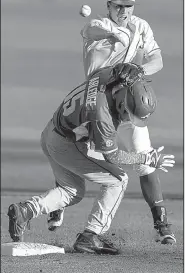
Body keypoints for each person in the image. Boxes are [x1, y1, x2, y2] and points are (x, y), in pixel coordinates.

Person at [47, 0, 177, 245]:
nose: (123, 10)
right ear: (109, 6)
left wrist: (139, 71)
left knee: (145, 158)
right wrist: (116, 32)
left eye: (128, 6)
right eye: (118, 6)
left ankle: (161, 222)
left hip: (126, 105)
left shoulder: (142, 26)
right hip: (96, 105)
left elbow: (157, 60)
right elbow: (92, 29)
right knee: (76, 149)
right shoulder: (97, 26)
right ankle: (58, 203)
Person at [8, 64, 175, 255]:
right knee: (118, 181)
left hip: (52, 133)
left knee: (71, 191)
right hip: (66, 144)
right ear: (122, 102)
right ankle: (90, 236)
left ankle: (25, 211)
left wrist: (133, 68)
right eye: (129, 113)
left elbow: (116, 70)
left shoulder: (109, 76)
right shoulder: (102, 116)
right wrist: (146, 158)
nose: (129, 119)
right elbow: (113, 156)